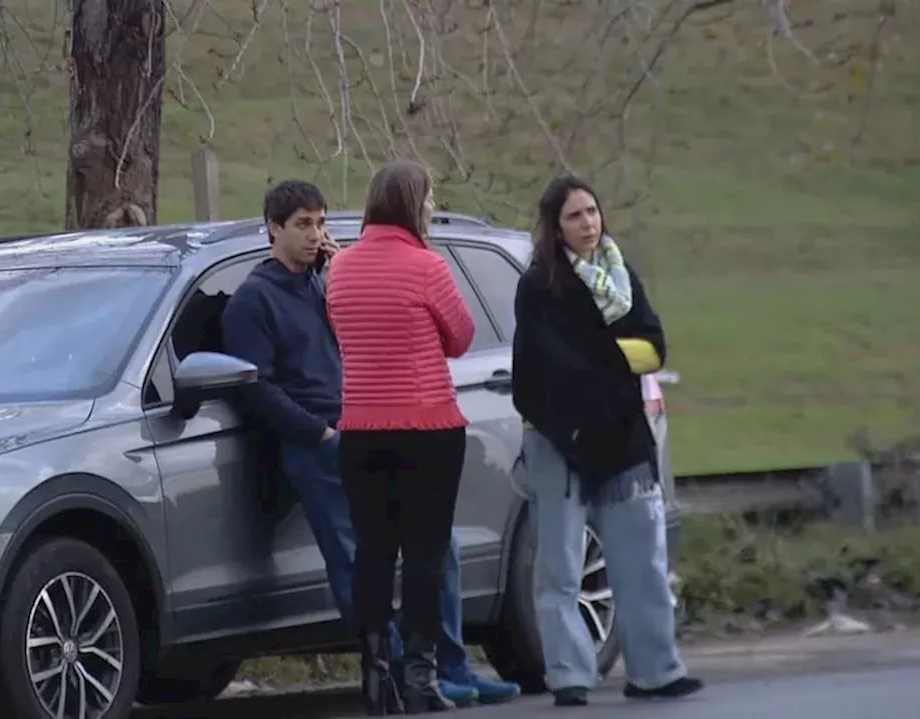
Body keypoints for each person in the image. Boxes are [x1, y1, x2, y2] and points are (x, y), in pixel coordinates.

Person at [221, 179, 520, 714]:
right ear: (272, 228)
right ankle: (397, 672)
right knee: (359, 558)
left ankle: (448, 667)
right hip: (320, 441)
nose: (316, 235)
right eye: (302, 225)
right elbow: (254, 384)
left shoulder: (328, 280)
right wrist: (317, 431)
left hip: (372, 425)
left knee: (436, 548)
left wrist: (335, 275)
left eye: (320, 223)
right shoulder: (254, 299)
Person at [510, 173, 703, 707]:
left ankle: (656, 673)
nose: (588, 223)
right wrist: (612, 359)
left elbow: (654, 348)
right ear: (555, 226)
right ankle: (570, 676)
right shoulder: (539, 287)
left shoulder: (619, 275)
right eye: (574, 216)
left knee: (641, 562)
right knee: (560, 569)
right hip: (556, 439)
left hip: (621, 440)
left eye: (592, 211)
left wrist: (601, 357)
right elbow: (545, 368)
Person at [325, 162, 478, 714]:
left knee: (371, 552)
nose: (433, 207)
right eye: (430, 198)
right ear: (413, 203)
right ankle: (420, 675)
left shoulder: (339, 269)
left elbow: (342, 332)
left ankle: (374, 673)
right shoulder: (426, 266)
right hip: (427, 426)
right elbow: (461, 337)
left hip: (361, 428)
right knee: (424, 555)